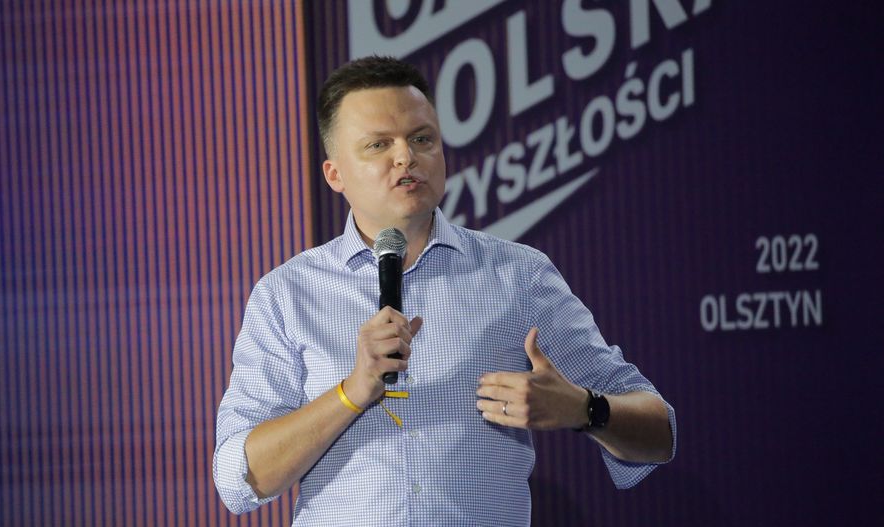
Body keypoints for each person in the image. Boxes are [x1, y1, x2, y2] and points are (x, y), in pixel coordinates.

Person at [213, 56, 676, 525]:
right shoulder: (288, 294)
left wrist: (584, 408)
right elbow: (237, 479)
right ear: (335, 175)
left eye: (421, 139)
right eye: (378, 145)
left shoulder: (519, 276)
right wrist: (352, 392)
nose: (406, 157)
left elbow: (660, 433)